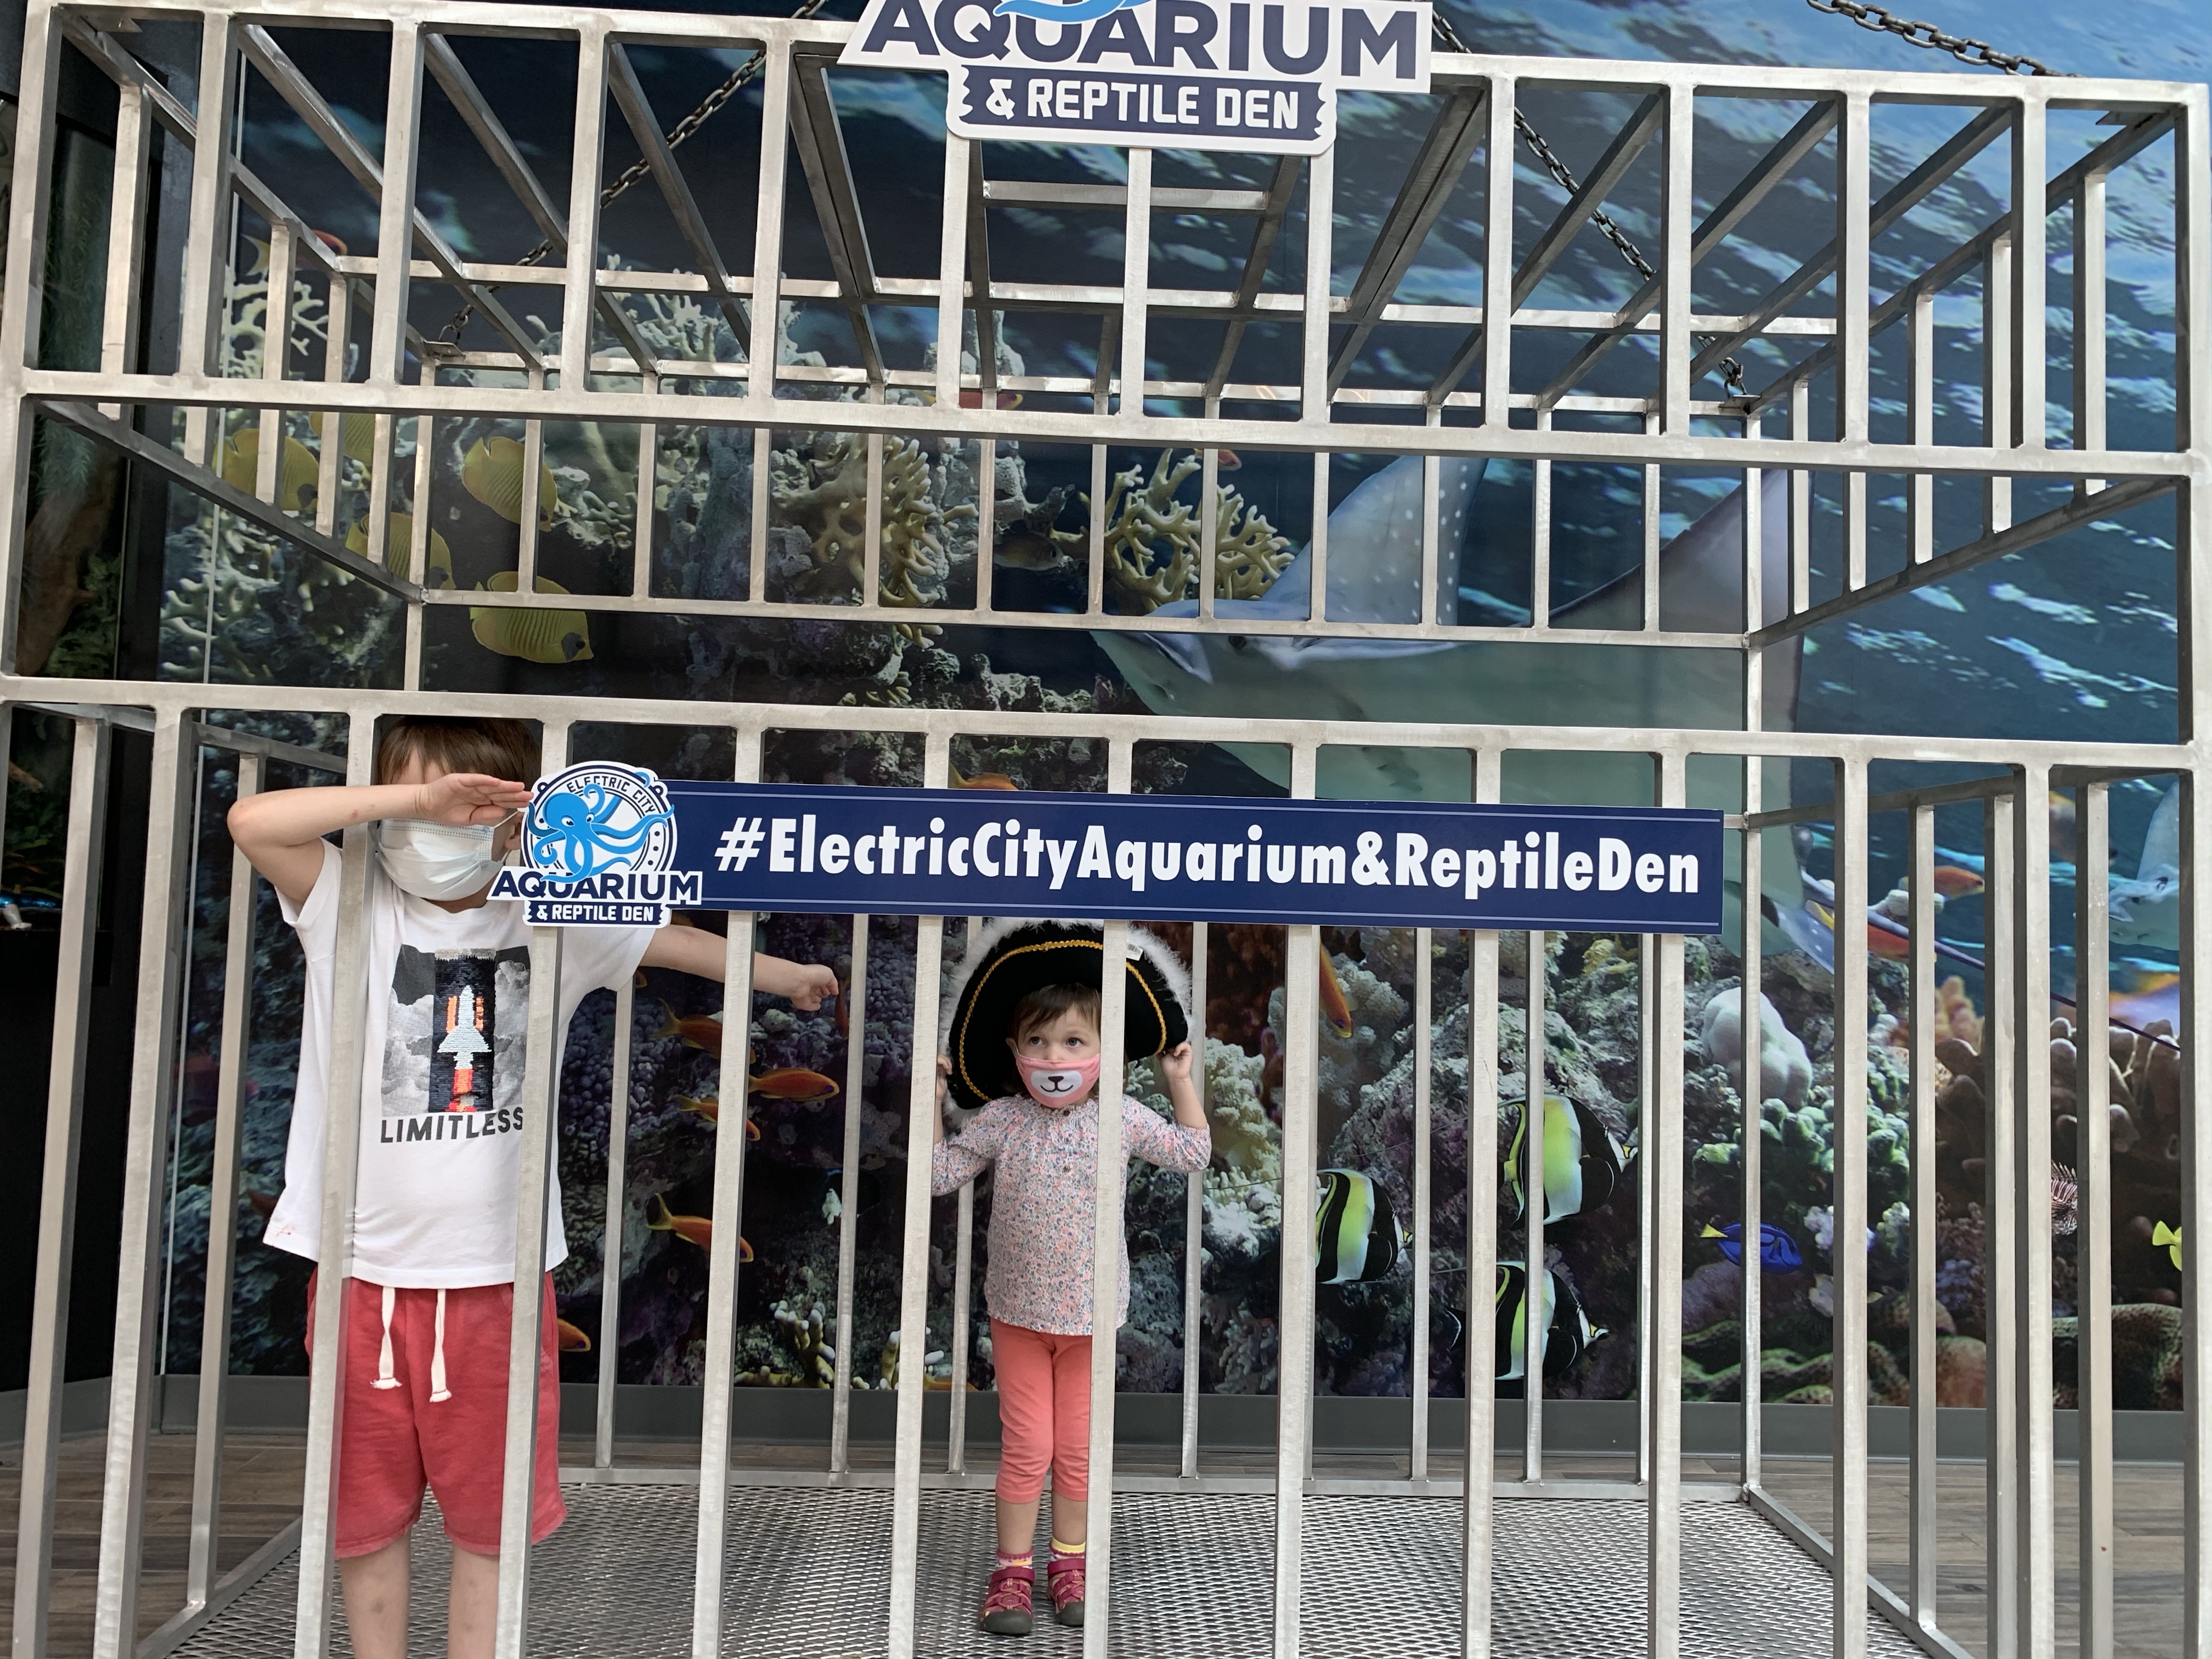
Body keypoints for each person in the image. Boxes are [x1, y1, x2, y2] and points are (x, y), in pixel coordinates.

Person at [229, 715, 835, 1659]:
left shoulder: (548, 916)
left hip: (498, 1289)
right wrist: (417, 802)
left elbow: (668, 943)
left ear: (515, 821)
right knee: (363, 1518)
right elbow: (254, 822)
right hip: (358, 1283)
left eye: (467, 806)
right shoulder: (345, 899)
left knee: (490, 1524)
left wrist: (784, 975)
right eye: (420, 806)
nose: (439, 825)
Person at [930, 919, 1210, 1636]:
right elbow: (937, 1175)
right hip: (1018, 1317)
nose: (1056, 1057)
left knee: (1078, 1450)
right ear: (1014, 1051)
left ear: (1105, 1052)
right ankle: (1011, 1572)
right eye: (1039, 1041)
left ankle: (1070, 1565)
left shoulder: (1121, 1117)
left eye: (1075, 1042)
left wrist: (1180, 1082)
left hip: (1092, 1320)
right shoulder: (1001, 1120)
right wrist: (931, 1102)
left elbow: (1191, 1152)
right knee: (1028, 1447)